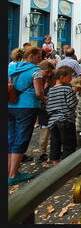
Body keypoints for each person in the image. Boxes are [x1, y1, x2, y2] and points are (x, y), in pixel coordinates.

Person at [8, 46, 46, 185]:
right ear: (32, 56)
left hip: (10, 105)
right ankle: (13, 174)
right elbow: (38, 93)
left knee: (10, 137)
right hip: (28, 106)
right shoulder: (35, 71)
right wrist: (45, 99)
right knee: (22, 138)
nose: (41, 59)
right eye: (39, 56)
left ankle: (8, 171)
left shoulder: (11, 68)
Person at [46, 66, 78, 165]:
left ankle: (56, 165)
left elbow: (48, 106)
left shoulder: (50, 90)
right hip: (66, 119)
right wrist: (76, 97)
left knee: (55, 143)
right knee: (69, 144)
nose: (71, 79)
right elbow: (72, 104)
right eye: (69, 77)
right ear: (62, 77)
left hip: (53, 121)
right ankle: (68, 166)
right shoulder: (67, 89)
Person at [35, 60, 55, 163]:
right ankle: (43, 152)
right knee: (45, 132)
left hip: (49, 108)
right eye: (48, 72)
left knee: (51, 132)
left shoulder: (51, 78)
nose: (49, 74)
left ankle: (52, 152)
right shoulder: (37, 77)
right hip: (44, 109)